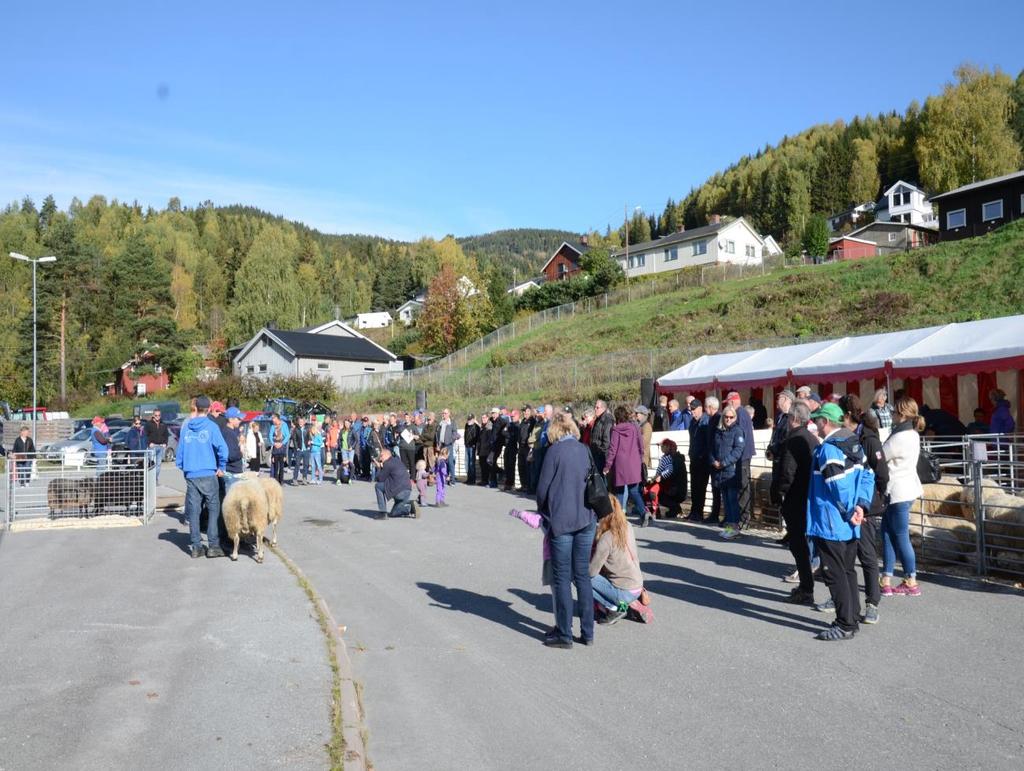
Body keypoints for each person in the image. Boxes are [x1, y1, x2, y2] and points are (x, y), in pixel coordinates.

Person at [807, 402, 874, 641]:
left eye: (817, 420)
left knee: (834, 572)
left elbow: (838, 486)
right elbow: (868, 474)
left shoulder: (829, 448)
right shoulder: (852, 442)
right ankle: (852, 617)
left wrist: (850, 510)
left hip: (832, 521)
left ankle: (845, 623)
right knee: (847, 570)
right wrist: (861, 506)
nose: (815, 424)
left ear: (825, 422)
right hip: (850, 521)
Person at [535, 411, 597, 649]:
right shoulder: (584, 449)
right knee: (582, 575)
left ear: (554, 431)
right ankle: (588, 632)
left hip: (562, 520)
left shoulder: (554, 452)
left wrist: (543, 513)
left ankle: (564, 633)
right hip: (586, 519)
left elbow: (542, 489)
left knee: (562, 577)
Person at [881, 396, 925, 597]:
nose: (891, 415)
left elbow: (880, 456)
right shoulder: (913, 434)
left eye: (894, 412)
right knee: (888, 533)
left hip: (897, 490)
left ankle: (910, 580)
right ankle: (887, 578)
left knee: (899, 536)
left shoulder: (899, 437)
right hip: (908, 489)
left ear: (902, 414)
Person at [774, 403, 818, 605]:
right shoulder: (812, 439)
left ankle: (806, 588)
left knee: (798, 544)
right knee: (803, 543)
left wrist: (780, 493)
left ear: (793, 418)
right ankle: (807, 584)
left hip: (795, 497)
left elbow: (787, 472)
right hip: (809, 496)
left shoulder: (794, 440)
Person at [176, 396, 229, 559]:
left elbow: (180, 454)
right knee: (214, 509)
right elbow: (223, 448)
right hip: (208, 472)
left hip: (191, 473)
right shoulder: (211, 426)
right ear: (209, 409)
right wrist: (221, 467)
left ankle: (196, 547)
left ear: (196, 408)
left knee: (194, 511)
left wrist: (185, 469)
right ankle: (213, 545)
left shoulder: (187, 427)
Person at [589, 496, 645, 625]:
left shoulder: (606, 538)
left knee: (579, 576)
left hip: (624, 590)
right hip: (637, 584)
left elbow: (591, 572)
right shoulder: (628, 526)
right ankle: (628, 603)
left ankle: (615, 607)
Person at [603, 404, 646, 526]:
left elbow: (613, 449)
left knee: (620, 491)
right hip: (634, 462)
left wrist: (608, 466)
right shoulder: (635, 427)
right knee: (634, 490)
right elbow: (640, 444)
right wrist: (641, 457)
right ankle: (643, 512)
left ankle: (619, 518)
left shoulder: (616, 430)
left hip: (621, 464)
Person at [711, 405, 745, 539]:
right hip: (720, 471)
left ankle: (735, 527)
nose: (728, 419)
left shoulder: (738, 431)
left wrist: (724, 462)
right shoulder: (719, 431)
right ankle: (729, 526)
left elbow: (738, 450)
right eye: (726, 417)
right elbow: (713, 448)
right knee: (726, 500)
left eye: (731, 417)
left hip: (731, 471)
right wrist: (713, 461)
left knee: (732, 500)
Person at [726, 391, 756, 530]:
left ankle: (744, 519)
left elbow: (740, 438)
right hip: (742, 456)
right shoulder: (742, 413)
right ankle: (741, 518)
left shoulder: (741, 414)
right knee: (741, 486)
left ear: (732, 402)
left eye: (727, 403)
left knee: (743, 486)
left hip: (742, 457)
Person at [374, 448, 418, 520]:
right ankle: (410, 508)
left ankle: (382, 513)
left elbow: (380, 479)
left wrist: (379, 468)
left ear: (384, 455)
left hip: (398, 492)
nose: (380, 459)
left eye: (380, 456)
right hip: (407, 490)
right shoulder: (397, 461)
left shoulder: (387, 463)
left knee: (378, 486)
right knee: (393, 513)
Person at [650, 438, 687, 520]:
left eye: (663, 446)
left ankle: (674, 508)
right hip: (675, 487)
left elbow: (671, 473)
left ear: (669, 447)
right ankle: (674, 508)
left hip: (676, 489)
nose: (661, 448)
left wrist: (660, 477)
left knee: (658, 493)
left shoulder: (675, 459)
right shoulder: (672, 458)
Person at [219, 406, 246, 496]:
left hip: (234, 471)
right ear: (230, 419)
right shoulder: (228, 433)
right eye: (238, 418)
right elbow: (230, 455)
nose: (240, 420)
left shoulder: (231, 431)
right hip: (231, 472)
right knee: (232, 500)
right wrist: (241, 452)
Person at [144, 409, 170, 484]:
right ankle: (150, 480)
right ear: (153, 415)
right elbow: (145, 435)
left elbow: (166, 435)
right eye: (156, 415)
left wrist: (165, 443)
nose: (157, 417)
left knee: (158, 465)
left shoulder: (163, 424)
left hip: (161, 446)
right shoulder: (148, 424)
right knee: (151, 464)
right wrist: (149, 443)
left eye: (159, 415)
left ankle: (155, 479)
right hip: (152, 446)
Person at [589, 399, 614, 472]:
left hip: (602, 457)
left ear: (603, 408)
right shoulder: (598, 419)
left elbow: (607, 440)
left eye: (597, 407)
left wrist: (600, 452)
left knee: (603, 480)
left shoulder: (607, 419)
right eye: (595, 407)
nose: (595, 409)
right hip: (596, 455)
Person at [436, 408, 457, 486]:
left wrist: (450, 440)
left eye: (445, 413)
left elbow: (455, 433)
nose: (443, 415)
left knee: (450, 462)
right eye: (443, 413)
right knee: (443, 462)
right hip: (442, 445)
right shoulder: (441, 423)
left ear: (449, 414)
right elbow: (437, 433)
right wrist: (438, 443)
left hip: (449, 445)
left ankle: (452, 480)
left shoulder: (452, 423)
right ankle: (444, 478)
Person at [517, 407, 535, 493]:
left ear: (530, 412)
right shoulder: (523, 421)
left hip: (528, 447)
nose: (524, 413)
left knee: (528, 467)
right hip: (521, 446)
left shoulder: (532, 421)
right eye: (523, 411)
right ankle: (523, 485)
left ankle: (528, 486)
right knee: (521, 466)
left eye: (526, 411)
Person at [268, 413, 290, 484]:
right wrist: (273, 443)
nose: (272, 420)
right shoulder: (272, 426)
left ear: (277, 418)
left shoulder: (284, 425)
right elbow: (270, 435)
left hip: (282, 446)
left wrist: (282, 443)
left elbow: (287, 435)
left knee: (281, 465)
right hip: (275, 446)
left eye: (273, 418)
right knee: (275, 465)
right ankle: (276, 480)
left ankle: (281, 481)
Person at [502, 410, 520, 491]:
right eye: (511, 416)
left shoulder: (518, 426)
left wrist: (509, 434)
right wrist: (509, 434)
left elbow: (515, 437)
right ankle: (507, 483)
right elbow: (503, 432)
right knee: (506, 465)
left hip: (513, 447)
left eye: (513, 416)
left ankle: (511, 483)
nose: (512, 418)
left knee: (511, 466)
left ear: (517, 416)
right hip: (507, 446)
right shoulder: (510, 424)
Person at [463, 414, 479, 485]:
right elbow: (465, 434)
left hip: (472, 446)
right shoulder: (467, 425)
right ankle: (469, 478)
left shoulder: (476, 427)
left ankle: (472, 480)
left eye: (470, 419)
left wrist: (474, 445)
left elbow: (477, 437)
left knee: (471, 463)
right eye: (468, 419)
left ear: (473, 419)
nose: (469, 420)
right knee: (468, 462)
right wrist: (465, 443)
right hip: (467, 445)